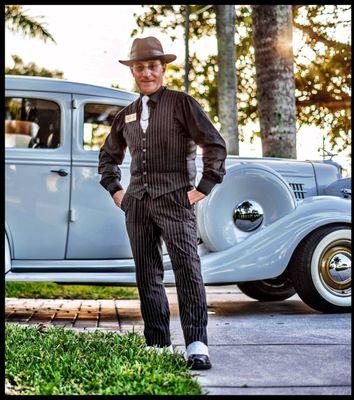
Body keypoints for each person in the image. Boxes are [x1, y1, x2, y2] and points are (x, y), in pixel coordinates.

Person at [98, 36, 227, 370]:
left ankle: (197, 343)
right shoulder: (126, 115)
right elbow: (108, 158)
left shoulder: (182, 103)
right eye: (139, 67)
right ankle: (157, 343)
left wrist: (202, 187)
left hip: (175, 199)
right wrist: (118, 193)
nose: (146, 73)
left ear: (163, 68)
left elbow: (214, 145)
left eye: (152, 66)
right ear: (133, 72)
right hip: (137, 204)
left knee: (187, 269)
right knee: (147, 273)